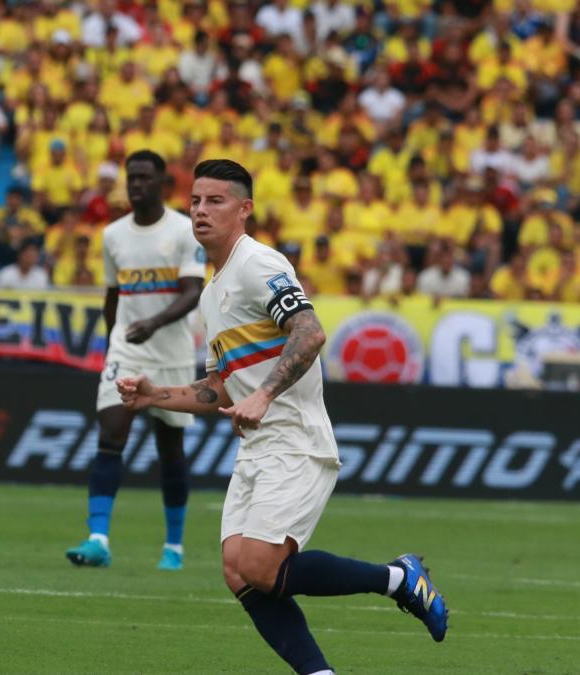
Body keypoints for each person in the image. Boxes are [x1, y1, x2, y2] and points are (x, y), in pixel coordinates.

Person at [117, 159, 448, 673]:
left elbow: (310, 332)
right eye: (196, 201)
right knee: (239, 573)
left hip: (295, 439)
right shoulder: (211, 293)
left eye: (216, 201)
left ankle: (400, 580)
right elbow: (217, 388)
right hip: (257, 446)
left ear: (244, 209)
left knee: (259, 566)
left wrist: (265, 395)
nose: (201, 211)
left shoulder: (259, 264)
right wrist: (154, 395)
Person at [64, 150, 204, 571]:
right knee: (111, 433)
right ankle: (98, 539)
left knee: (170, 450)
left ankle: (174, 547)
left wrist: (154, 322)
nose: (136, 184)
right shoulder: (112, 235)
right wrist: (114, 342)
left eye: (144, 177)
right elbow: (112, 294)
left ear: (162, 182)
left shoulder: (185, 230)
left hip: (173, 354)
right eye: (131, 177)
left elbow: (193, 291)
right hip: (126, 350)